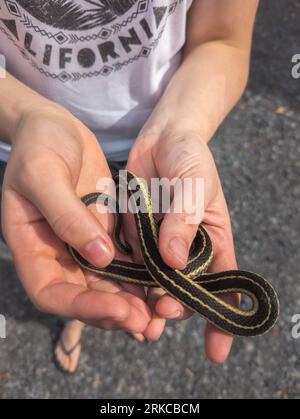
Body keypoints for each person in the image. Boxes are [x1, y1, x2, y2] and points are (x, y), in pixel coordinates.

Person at [0, 0, 259, 373]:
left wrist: (180, 127)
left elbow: (223, 40)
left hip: (155, 149)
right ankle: (80, 312)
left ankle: (102, 292)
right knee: (73, 252)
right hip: (25, 153)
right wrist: (25, 116)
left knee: (107, 256)